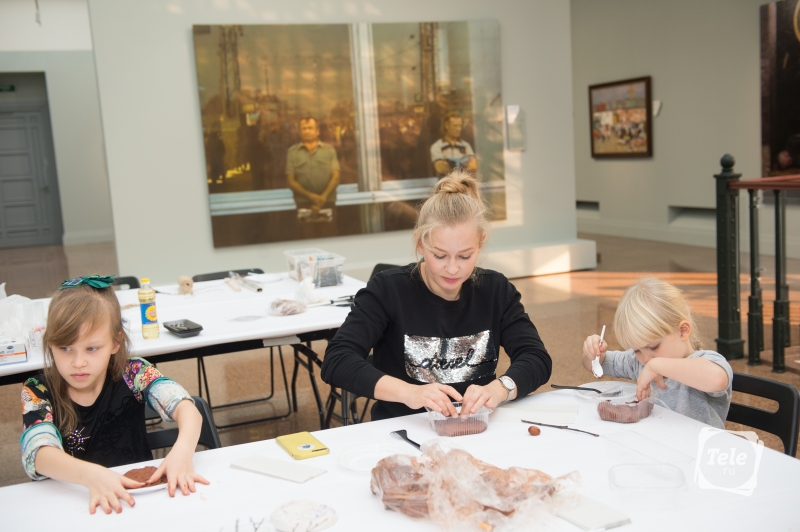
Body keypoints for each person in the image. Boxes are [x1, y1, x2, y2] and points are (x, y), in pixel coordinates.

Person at [321, 171, 552, 421]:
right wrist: (409, 393)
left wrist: (498, 390)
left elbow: (536, 358)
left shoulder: (496, 290)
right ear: (420, 244)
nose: (452, 268)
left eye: (465, 256)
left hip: (477, 428)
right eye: (439, 255)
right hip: (402, 429)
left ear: (480, 244)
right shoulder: (388, 290)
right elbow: (338, 360)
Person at [20, 275, 209, 515]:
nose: (78, 362)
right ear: (50, 343)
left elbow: (187, 409)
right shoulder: (37, 390)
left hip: (140, 502)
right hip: (74, 505)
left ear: (116, 342)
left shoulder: (133, 372)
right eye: (65, 348)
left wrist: (183, 451)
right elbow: (39, 454)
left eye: (91, 348)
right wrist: (91, 475)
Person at [581, 277, 732, 429]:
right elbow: (597, 365)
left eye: (654, 347)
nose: (645, 358)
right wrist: (592, 353)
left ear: (683, 331)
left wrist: (656, 366)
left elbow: (717, 379)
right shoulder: (639, 362)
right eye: (637, 350)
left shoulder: (706, 360)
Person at [285, 116, 340, 223]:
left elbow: (336, 176)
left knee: (329, 232)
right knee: (306, 232)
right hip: (303, 203)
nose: (307, 131)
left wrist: (323, 197)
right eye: (304, 128)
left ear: (317, 131)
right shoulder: (292, 152)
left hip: (327, 201)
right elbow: (290, 180)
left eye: (310, 128)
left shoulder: (329, 150)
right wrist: (311, 196)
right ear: (299, 132)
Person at [430, 112, 478, 177]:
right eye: (455, 126)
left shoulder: (465, 145)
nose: (459, 129)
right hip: (446, 182)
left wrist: (449, 165)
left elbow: (473, 166)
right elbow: (440, 168)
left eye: (460, 126)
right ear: (446, 126)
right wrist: (463, 164)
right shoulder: (437, 146)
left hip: (463, 182)